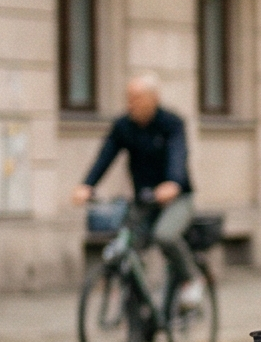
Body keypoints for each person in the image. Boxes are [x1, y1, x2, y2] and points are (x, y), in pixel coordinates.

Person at [73, 76, 203, 311]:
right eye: (128, 99)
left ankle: (190, 279)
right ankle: (138, 320)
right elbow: (106, 155)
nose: (131, 104)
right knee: (127, 248)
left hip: (177, 198)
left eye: (136, 98)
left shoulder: (171, 123)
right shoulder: (124, 126)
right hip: (144, 200)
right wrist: (87, 185)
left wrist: (172, 183)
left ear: (154, 99)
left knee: (165, 236)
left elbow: (178, 153)